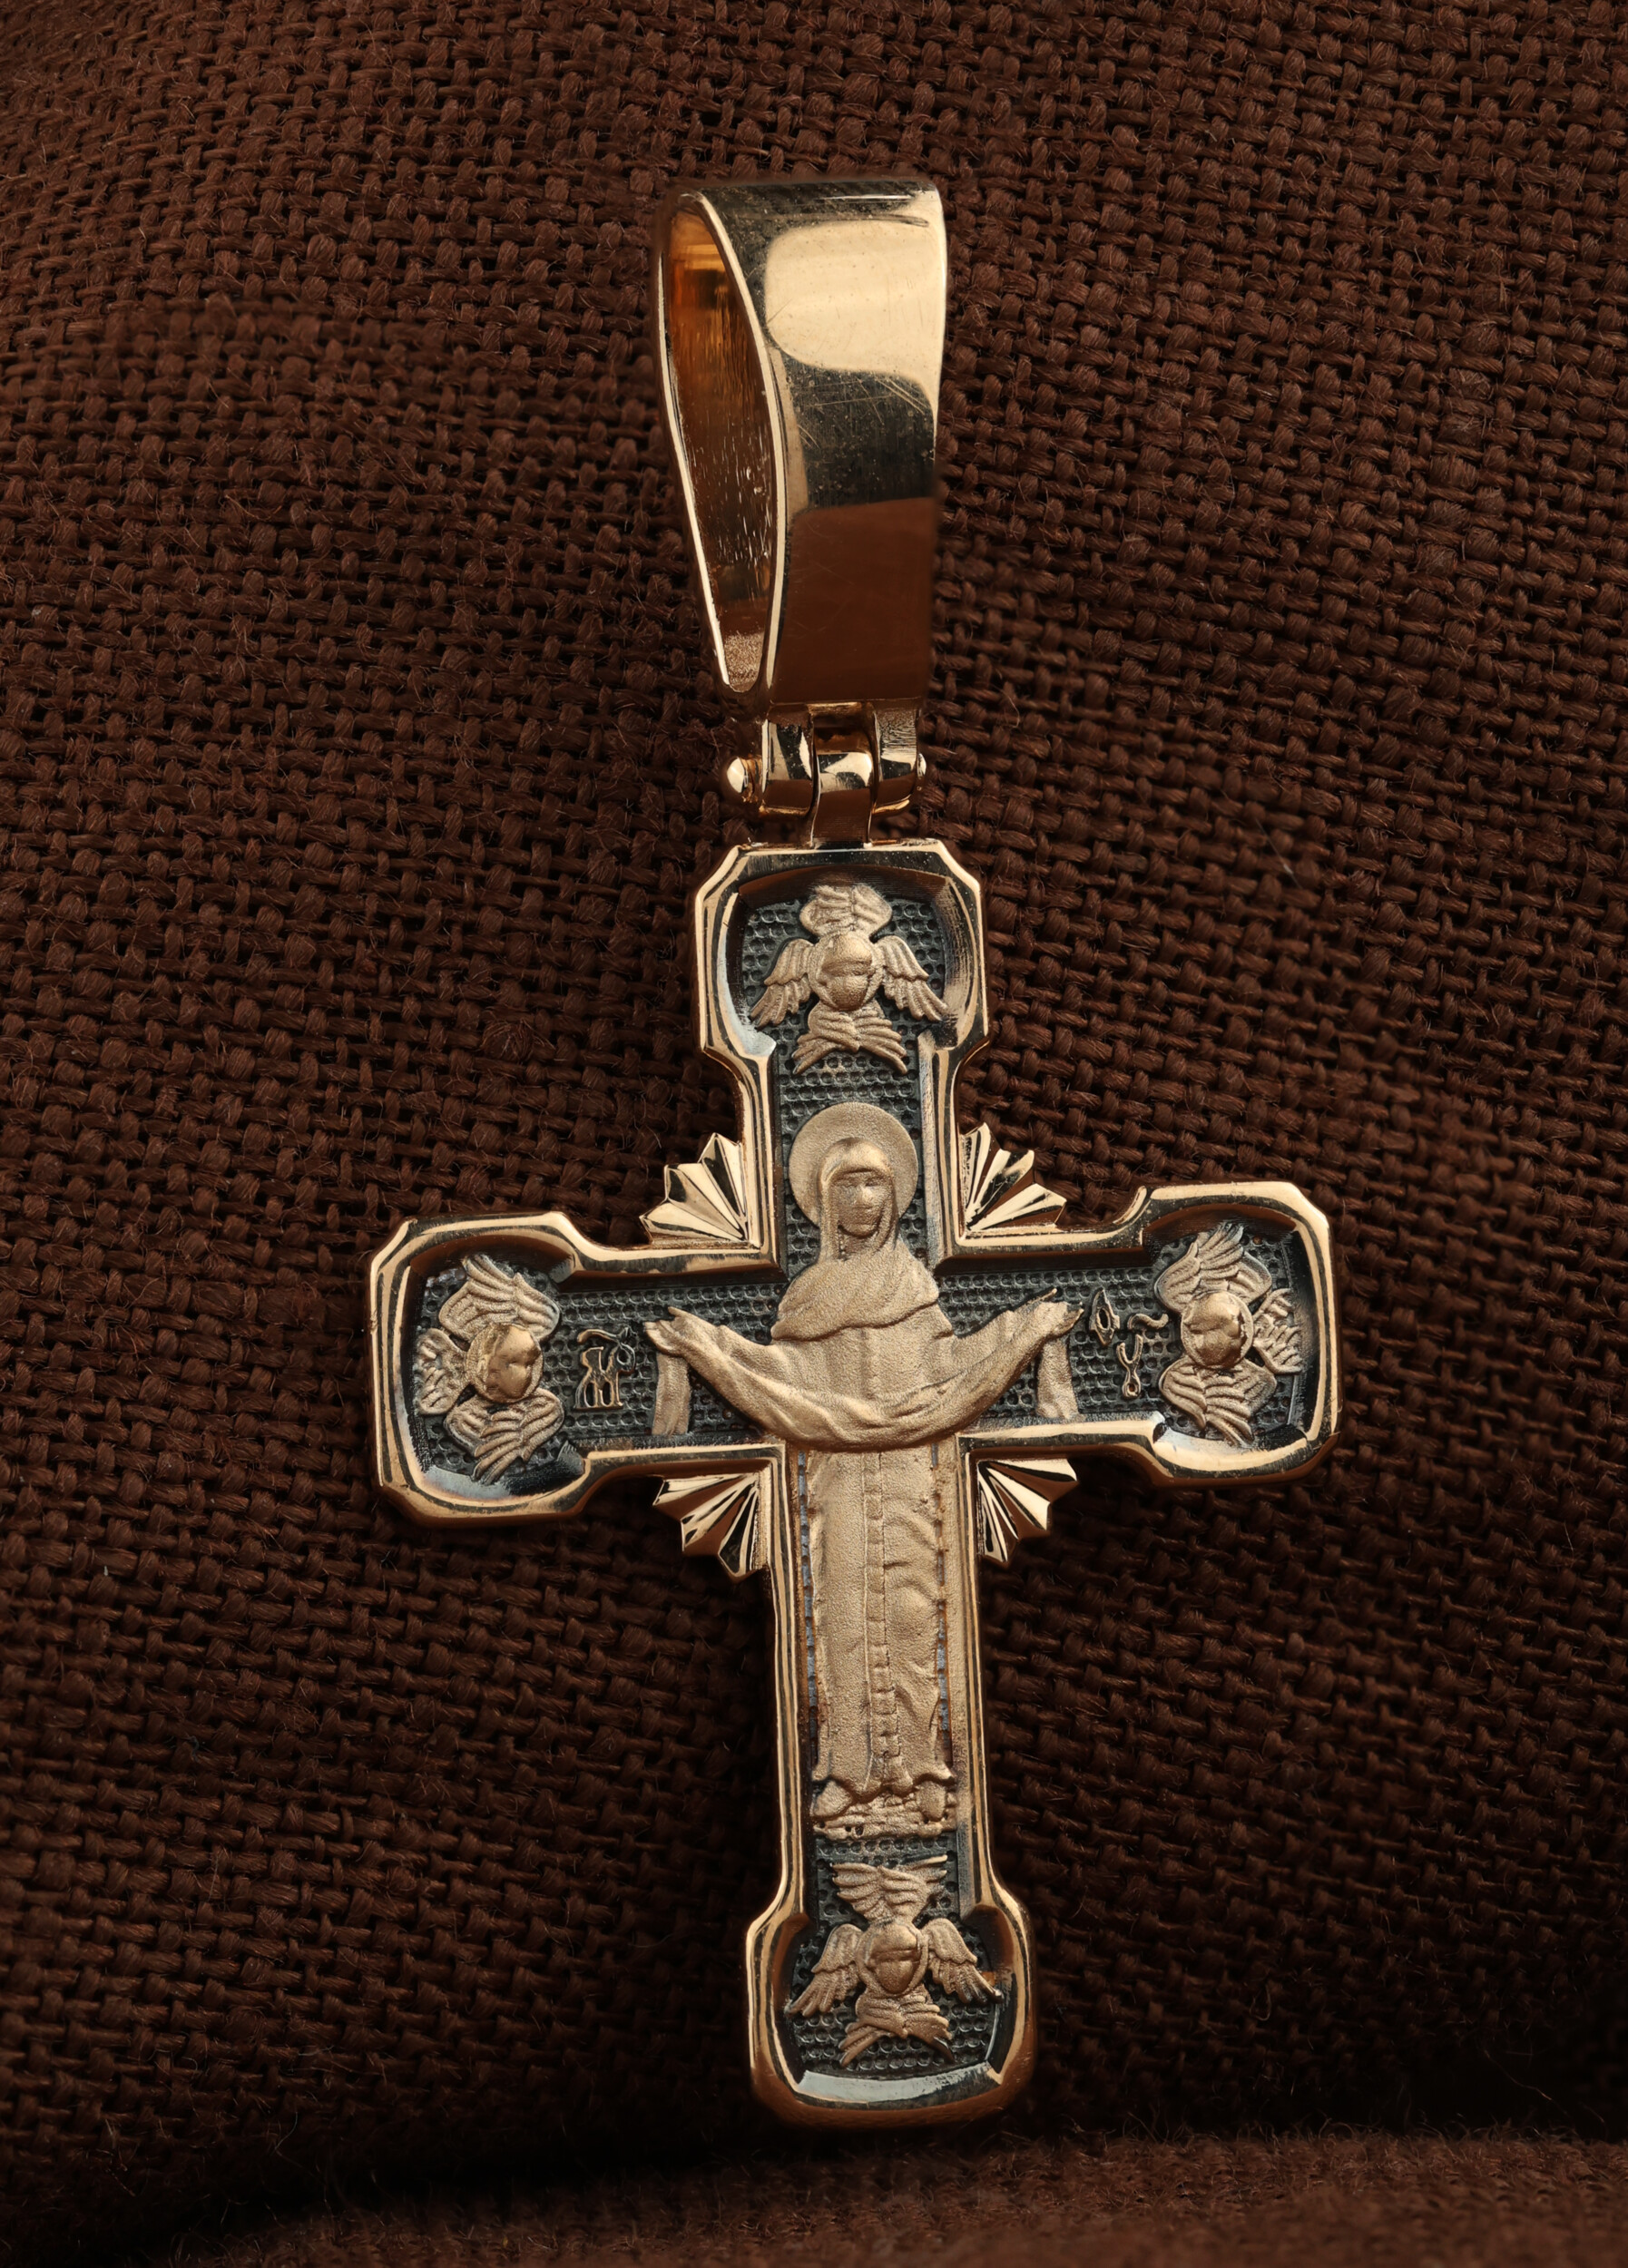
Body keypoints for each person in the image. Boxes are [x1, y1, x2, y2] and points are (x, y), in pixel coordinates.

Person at [647, 1104, 1077, 1831]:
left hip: (915, 1476)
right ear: (822, 1199)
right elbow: (783, 1374)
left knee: (916, 1619)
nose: (862, 1199)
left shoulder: (914, 1287)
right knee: (840, 1624)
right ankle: (848, 1774)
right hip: (834, 1478)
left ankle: (928, 1770)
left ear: (896, 1197)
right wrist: (711, 1349)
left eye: (875, 1184)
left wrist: (1021, 1332)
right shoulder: (808, 1295)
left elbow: (948, 1366)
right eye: (846, 1185)